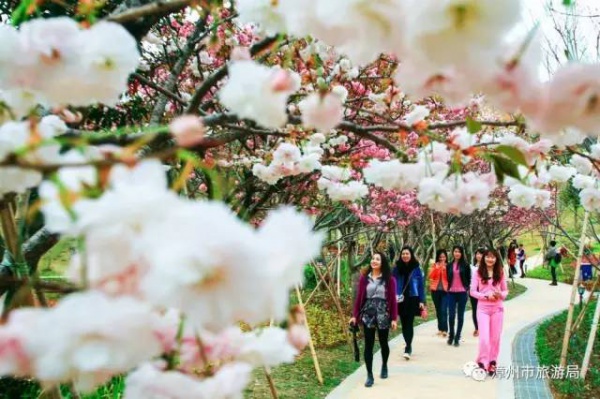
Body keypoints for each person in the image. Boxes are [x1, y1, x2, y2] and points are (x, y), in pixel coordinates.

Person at [350, 252, 398, 387]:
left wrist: (394, 318)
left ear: (382, 262)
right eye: (373, 259)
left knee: (383, 342)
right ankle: (369, 375)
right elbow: (359, 298)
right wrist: (354, 315)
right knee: (368, 345)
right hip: (368, 313)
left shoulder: (390, 279)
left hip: (383, 313)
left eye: (377, 259)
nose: (374, 261)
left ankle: (384, 365)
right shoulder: (364, 278)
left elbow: (393, 301)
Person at [470, 249, 509, 376]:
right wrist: (485, 296)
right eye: (488, 257)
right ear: (484, 258)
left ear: (496, 259)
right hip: (483, 309)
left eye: (493, 257)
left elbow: (505, 291)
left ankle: (492, 362)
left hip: (497, 309)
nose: (490, 259)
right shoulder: (478, 273)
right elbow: (472, 292)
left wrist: (500, 295)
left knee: (495, 338)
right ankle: (482, 361)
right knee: (484, 339)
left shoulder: (500, 272)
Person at [393, 246, 426, 360]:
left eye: (407, 253)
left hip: (412, 298)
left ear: (411, 255)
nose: (405, 255)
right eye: (403, 254)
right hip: (400, 299)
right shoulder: (397, 268)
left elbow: (421, 286)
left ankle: (408, 346)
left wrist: (422, 301)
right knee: (403, 323)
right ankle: (408, 343)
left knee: (409, 323)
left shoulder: (417, 268)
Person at [446, 245, 471, 347]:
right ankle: (451, 335)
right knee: (451, 316)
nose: (457, 253)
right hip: (451, 293)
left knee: (460, 316)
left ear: (462, 253)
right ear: (453, 252)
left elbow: (469, 278)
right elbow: (447, 278)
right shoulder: (449, 265)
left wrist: (467, 289)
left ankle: (457, 337)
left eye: (459, 252)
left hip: (462, 293)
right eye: (455, 251)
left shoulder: (465, 265)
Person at [428, 249, 449, 337]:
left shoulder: (448, 266)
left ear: (446, 257)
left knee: (443, 310)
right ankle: (440, 329)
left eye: (443, 257)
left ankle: (445, 330)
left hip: (445, 291)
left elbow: (450, 277)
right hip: (435, 290)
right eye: (440, 257)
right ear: (438, 257)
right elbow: (430, 276)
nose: (442, 258)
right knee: (438, 310)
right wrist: (436, 268)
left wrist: (445, 269)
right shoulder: (434, 265)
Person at [470, 248, 485, 337]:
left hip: (484, 291)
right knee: (475, 309)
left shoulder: (488, 266)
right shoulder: (473, 267)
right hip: (474, 291)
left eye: (481, 254)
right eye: (477, 254)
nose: (479, 256)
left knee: (483, 309)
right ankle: (477, 328)